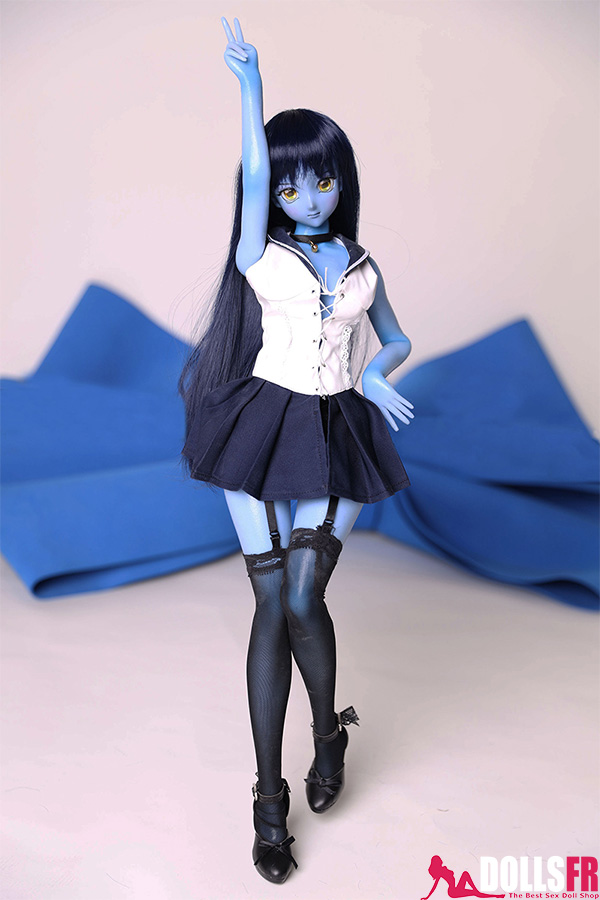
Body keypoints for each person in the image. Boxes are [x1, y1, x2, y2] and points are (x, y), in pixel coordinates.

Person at [178, 17, 415, 885]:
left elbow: (396, 336)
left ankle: (326, 735)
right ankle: (269, 800)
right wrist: (251, 89)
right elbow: (250, 173)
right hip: (261, 423)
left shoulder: (361, 261)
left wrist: (379, 372)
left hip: (338, 426)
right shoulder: (260, 253)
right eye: (291, 187)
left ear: (340, 182)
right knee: (270, 602)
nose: (307, 198)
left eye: (322, 181)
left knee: (306, 594)